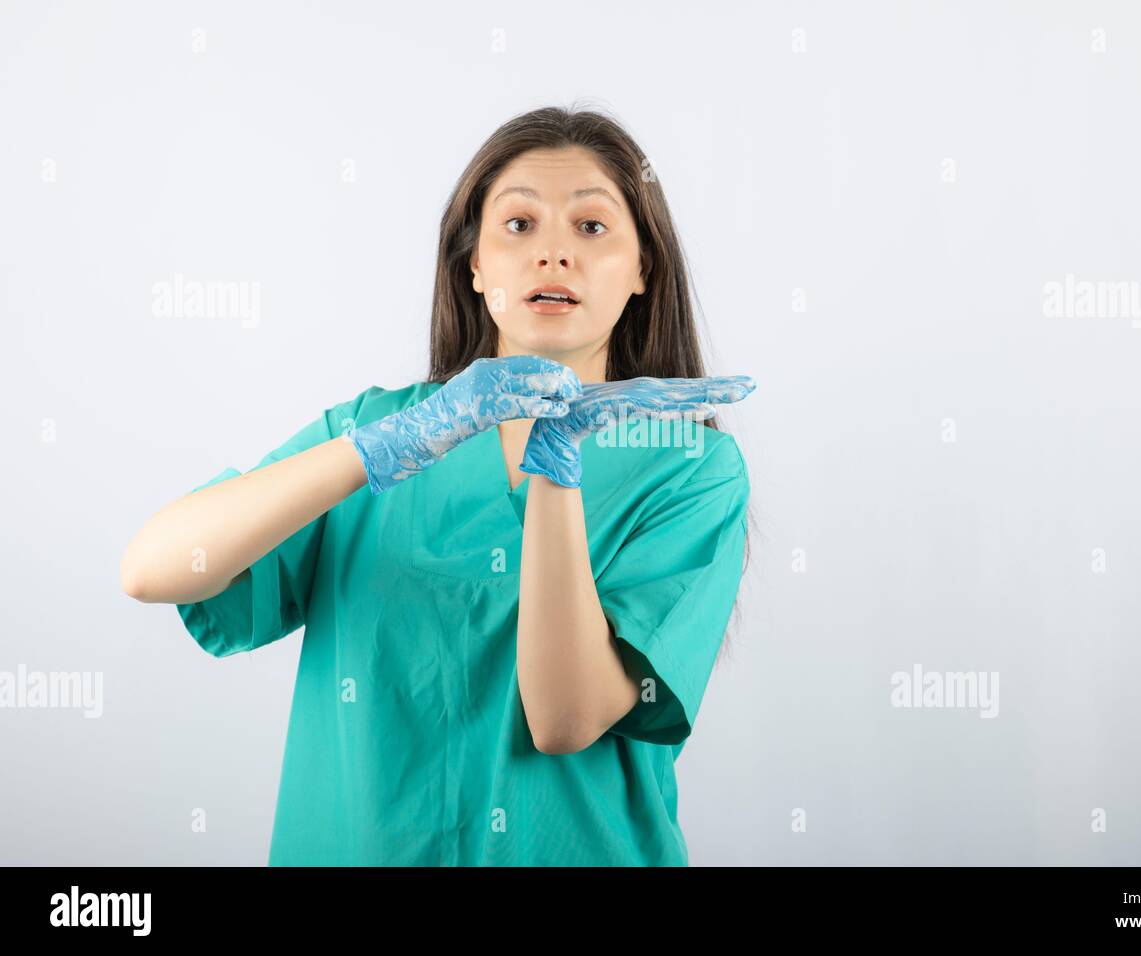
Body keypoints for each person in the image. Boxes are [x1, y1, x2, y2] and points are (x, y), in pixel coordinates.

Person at [120, 104, 756, 866]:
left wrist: (557, 465)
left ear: (643, 268)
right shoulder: (372, 434)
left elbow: (564, 718)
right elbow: (152, 569)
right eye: (519, 226)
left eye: (591, 228)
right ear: (475, 265)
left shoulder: (691, 469)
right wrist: (386, 446)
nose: (554, 253)